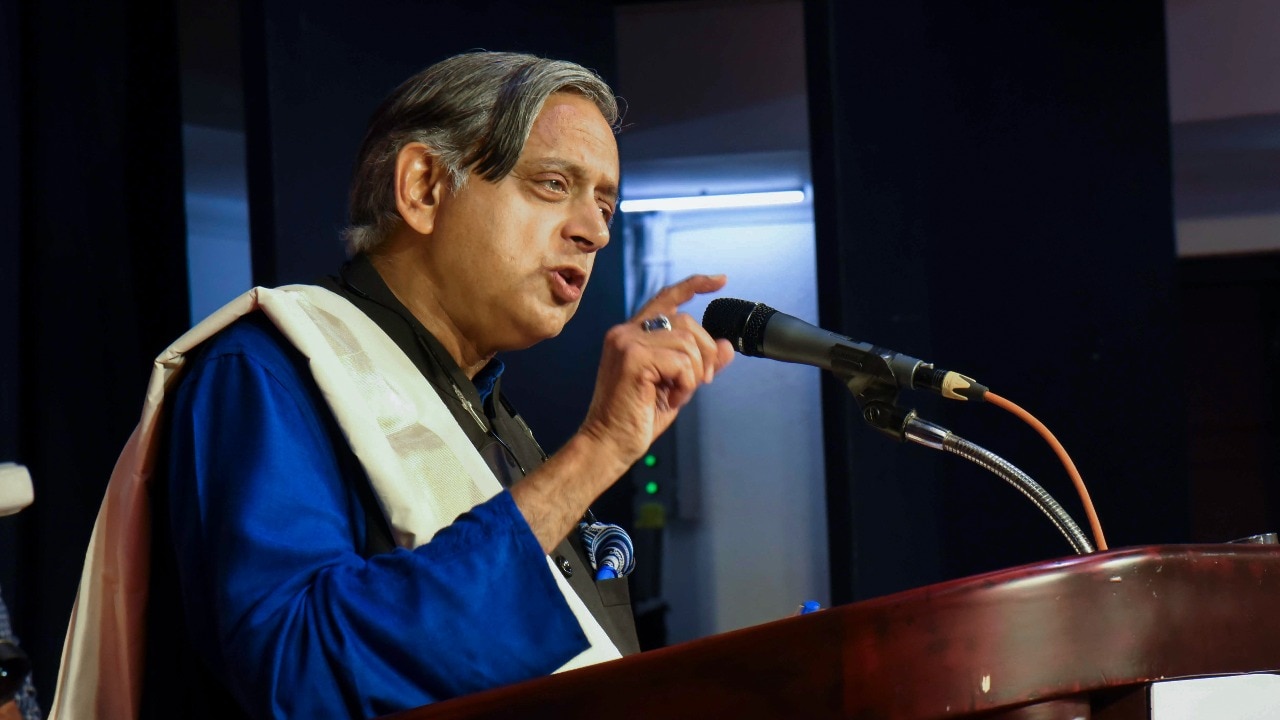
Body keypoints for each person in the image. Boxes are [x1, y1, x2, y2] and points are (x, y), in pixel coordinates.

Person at [48, 51, 733, 720]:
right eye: (554, 184)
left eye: (605, 206)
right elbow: (298, 676)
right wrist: (600, 449)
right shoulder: (265, 372)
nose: (593, 233)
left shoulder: (492, 413)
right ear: (424, 188)